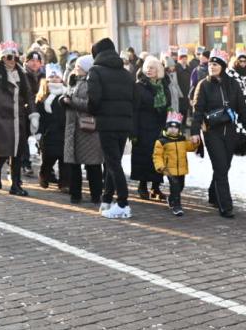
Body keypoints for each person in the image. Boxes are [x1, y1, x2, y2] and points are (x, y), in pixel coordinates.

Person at [190, 50, 246, 219]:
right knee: (220, 167)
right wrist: (194, 131)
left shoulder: (233, 84)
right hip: (211, 132)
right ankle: (225, 205)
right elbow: (197, 110)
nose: (212, 67)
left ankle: (213, 194)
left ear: (223, 66)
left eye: (216, 64)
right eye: (210, 64)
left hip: (230, 131)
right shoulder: (203, 85)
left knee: (224, 167)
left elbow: (242, 108)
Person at [87, 38, 139, 219]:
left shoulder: (95, 71)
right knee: (113, 161)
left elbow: (93, 99)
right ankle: (107, 199)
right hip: (124, 124)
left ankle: (123, 203)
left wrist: (94, 112)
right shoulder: (126, 73)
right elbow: (136, 99)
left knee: (113, 163)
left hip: (106, 123)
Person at [0, 42, 33, 196]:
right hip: (1, 117)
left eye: (14, 57)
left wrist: (33, 114)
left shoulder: (21, 72)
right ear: (2, 58)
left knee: (17, 151)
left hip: (18, 117)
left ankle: (15, 184)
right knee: (4, 150)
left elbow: (28, 94)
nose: (12, 60)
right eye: (8, 57)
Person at [62, 55, 104, 205]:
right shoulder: (74, 80)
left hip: (87, 129)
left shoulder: (92, 83)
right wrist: (64, 100)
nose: (75, 69)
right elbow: (68, 96)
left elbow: (92, 104)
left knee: (93, 164)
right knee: (74, 165)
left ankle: (96, 195)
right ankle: (75, 195)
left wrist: (71, 101)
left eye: (79, 67)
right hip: (72, 128)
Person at [131, 56, 169, 200]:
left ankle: (156, 187)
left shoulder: (163, 85)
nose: (149, 70)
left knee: (159, 157)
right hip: (143, 126)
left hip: (159, 126)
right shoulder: (139, 86)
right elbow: (134, 109)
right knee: (144, 156)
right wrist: (133, 131)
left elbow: (168, 104)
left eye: (152, 68)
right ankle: (142, 186)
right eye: (147, 67)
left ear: (158, 70)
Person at [153, 111, 196, 217]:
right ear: (166, 128)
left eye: (175, 127)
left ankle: (171, 198)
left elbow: (190, 147)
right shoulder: (161, 141)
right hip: (169, 170)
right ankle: (177, 206)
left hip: (181, 169)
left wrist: (195, 142)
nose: (173, 129)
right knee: (175, 186)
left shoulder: (182, 139)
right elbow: (157, 155)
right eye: (170, 127)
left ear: (179, 129)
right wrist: (160, 166)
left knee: (181, 186)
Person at [35, 63, 68, 190]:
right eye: (52, 77)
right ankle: (44, 175)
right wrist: (39, 132)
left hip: (63, 130)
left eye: (57, 77)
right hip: (49, 132)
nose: (54, 79)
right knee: (49, 157)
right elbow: (39, 116)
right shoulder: (43, 96)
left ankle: (64, 182)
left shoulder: (66, 94)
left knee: (64, 159)